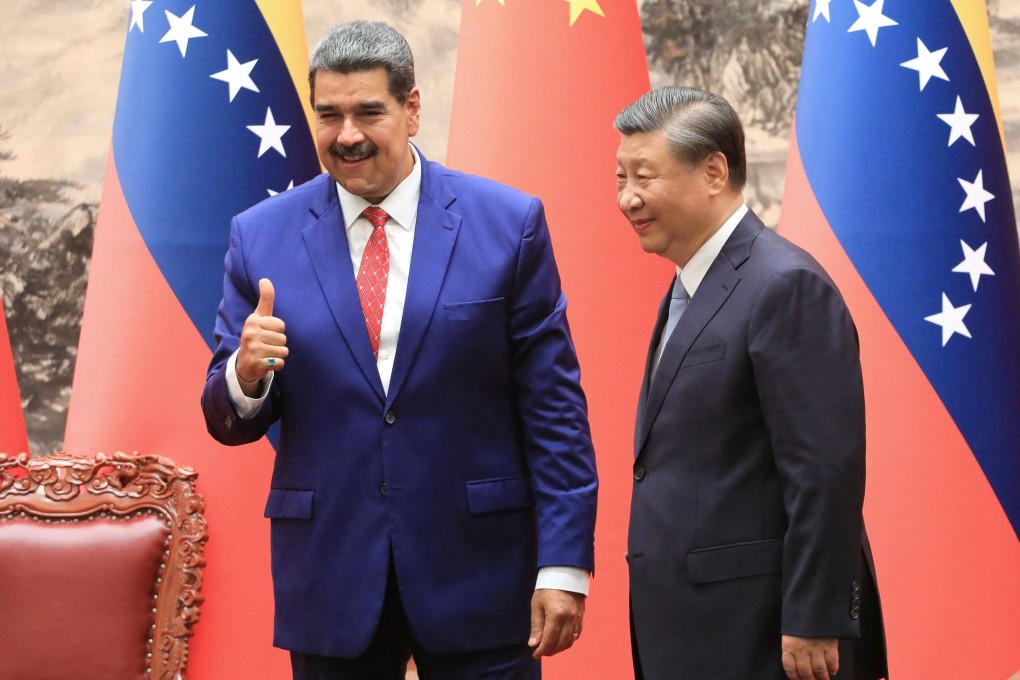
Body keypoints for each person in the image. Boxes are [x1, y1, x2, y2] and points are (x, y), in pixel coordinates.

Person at [201, 20, 597, 680]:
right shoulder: (260, 236)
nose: (347, 135)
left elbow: (554, 411)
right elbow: (226, 418)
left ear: (412, 109)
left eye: (368, 112)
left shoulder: (508, 224)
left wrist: (563, 564)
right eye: (328, 115)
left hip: (480, 577)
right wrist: (245, 375)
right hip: (332, 582)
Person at [615, 86, 888, 680]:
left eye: (643, 176)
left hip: (765, 632)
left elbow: (823, 469)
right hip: (697, 627)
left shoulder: (784, 285)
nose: (627, 198)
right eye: (620, 177)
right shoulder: (690, 286)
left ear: (714, 171)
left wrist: (815, 615)